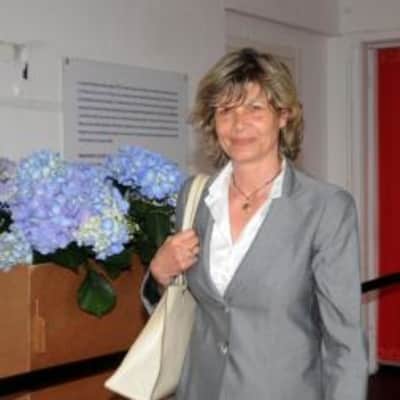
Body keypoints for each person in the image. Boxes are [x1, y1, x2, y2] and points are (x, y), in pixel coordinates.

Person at [143, 47, 368, 400]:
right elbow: (187, 309)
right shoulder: (195, 197)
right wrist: (159, 274)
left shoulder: (325, 208)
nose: (238, 124)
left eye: (254, 108)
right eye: (225, 110)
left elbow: (345, 342)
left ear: (284, 115)